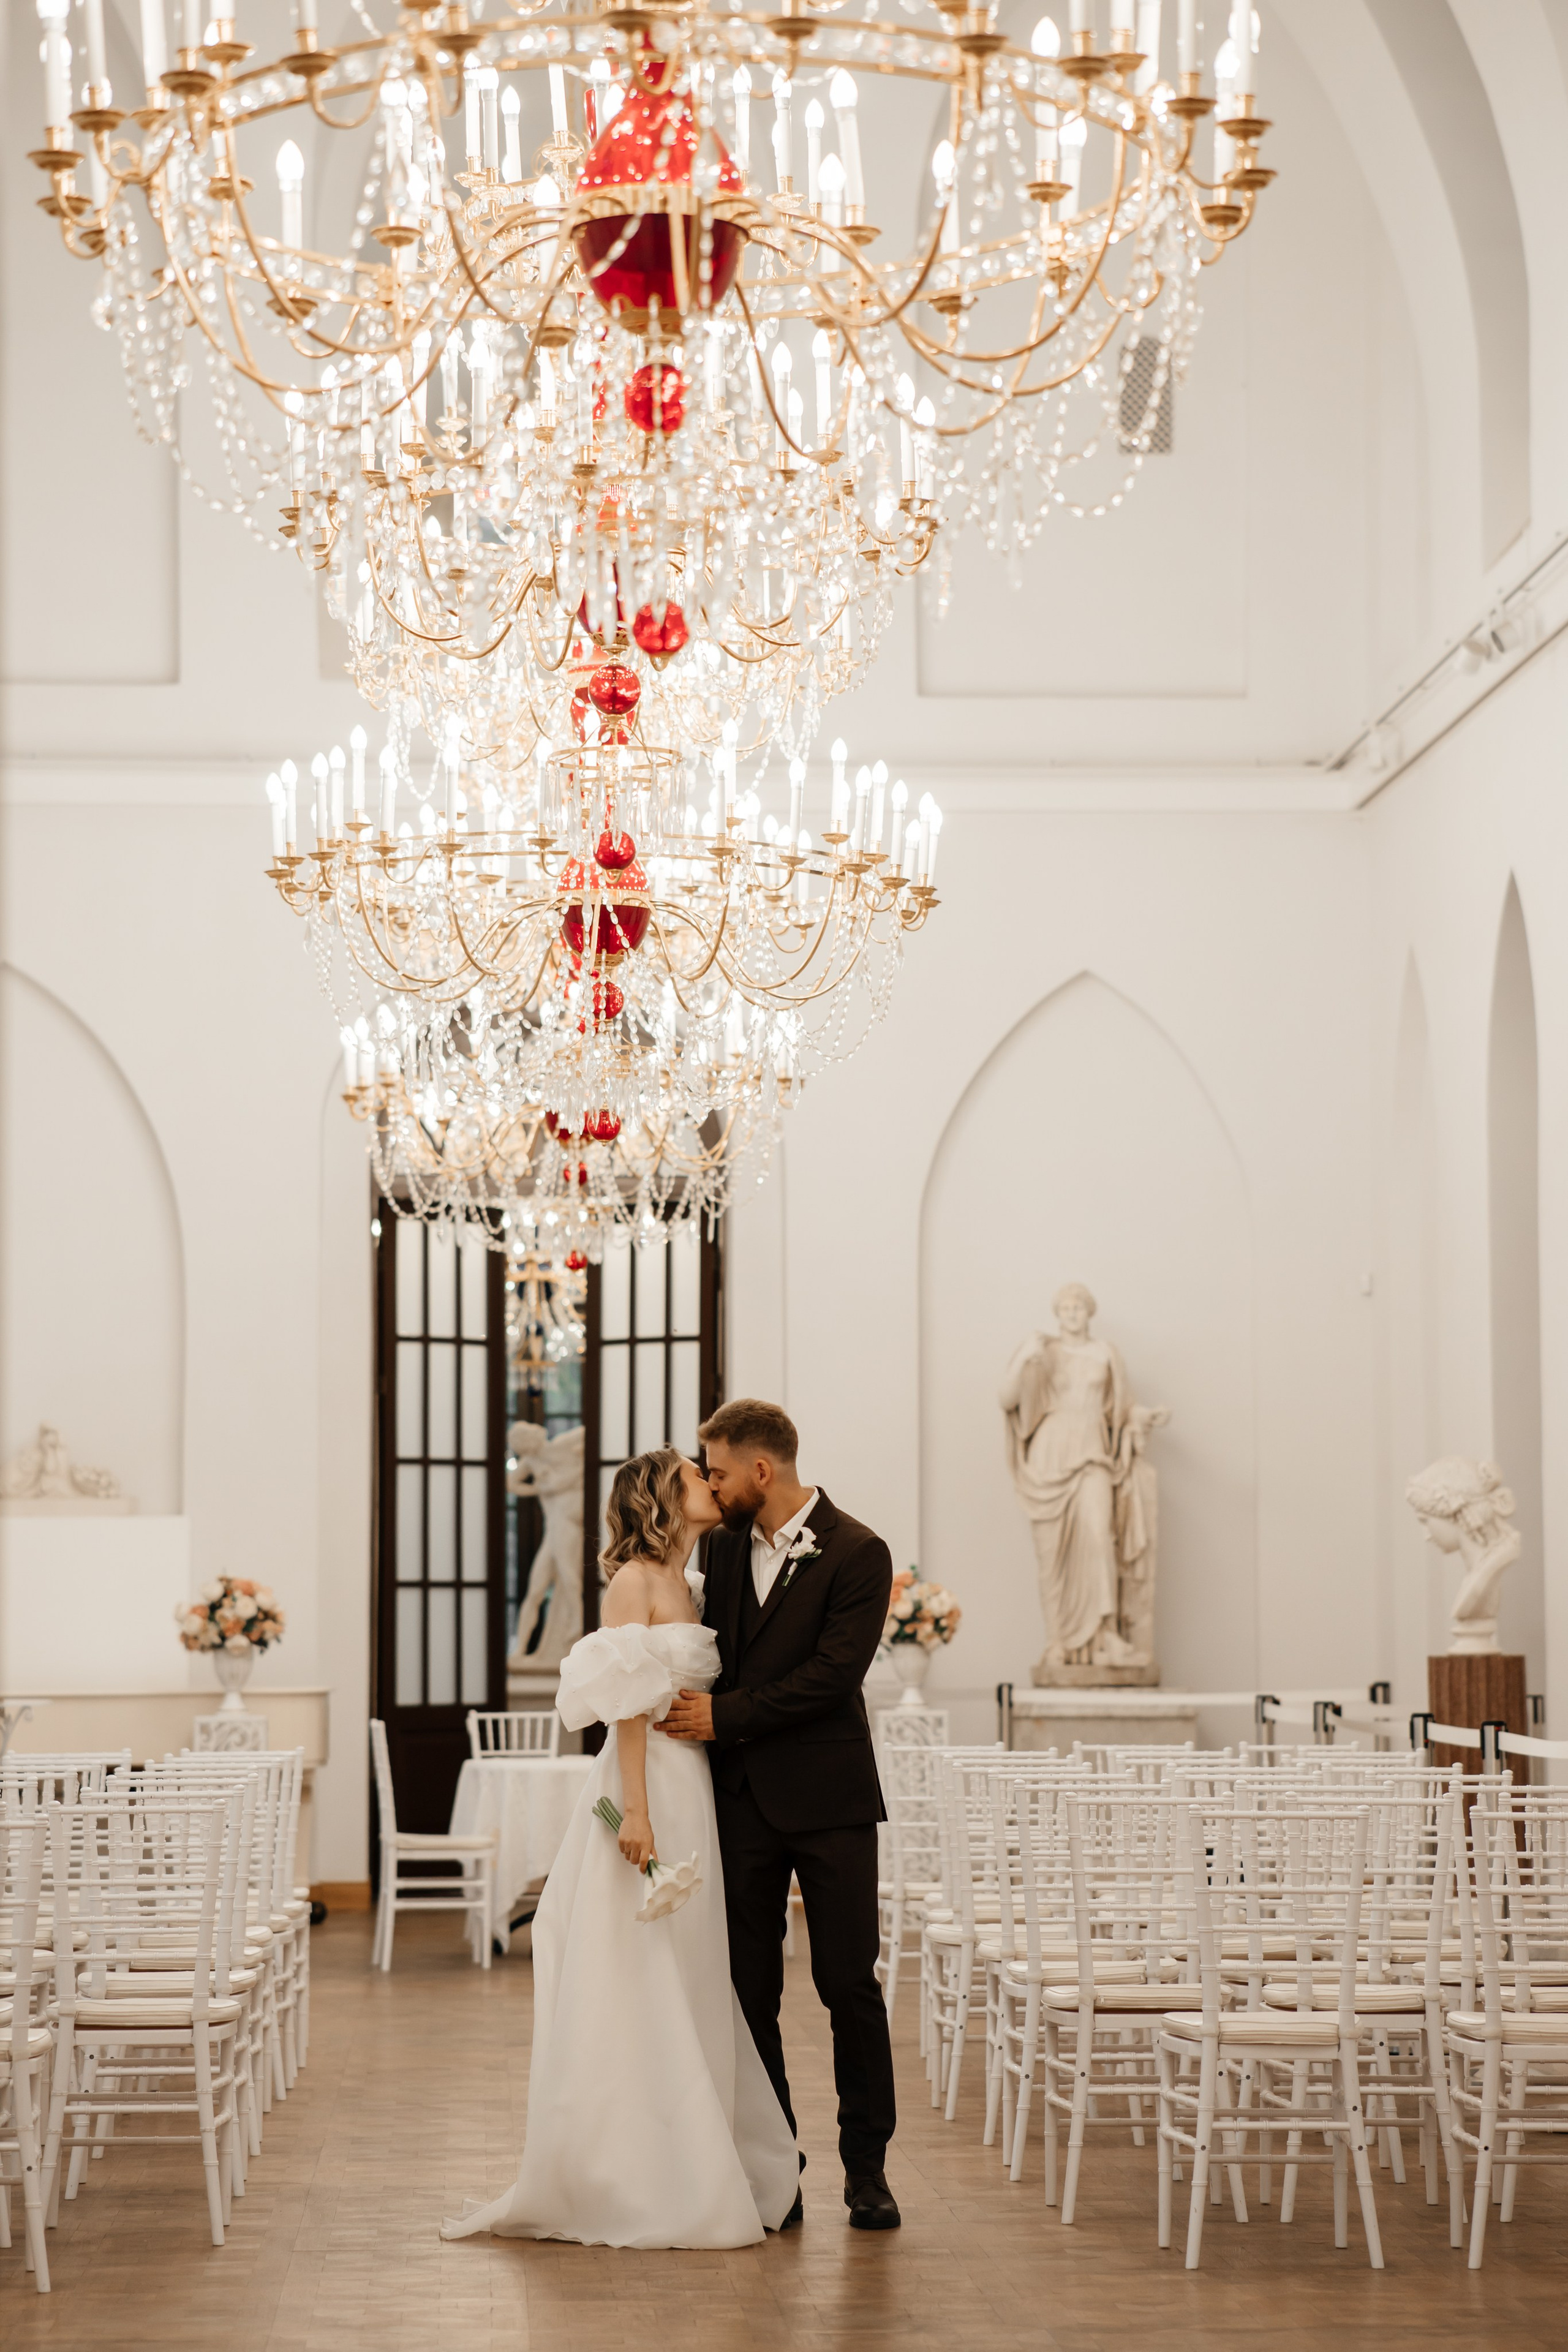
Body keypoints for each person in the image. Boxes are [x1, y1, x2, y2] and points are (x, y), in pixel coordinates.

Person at [440, 1449, 799, 2251]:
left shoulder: (695, 1582)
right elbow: (628, 1710)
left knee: (696, 1966)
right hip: (651, 1790)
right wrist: (634, 1815)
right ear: (664, 1497)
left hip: (697, 1788)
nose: (713, 1482)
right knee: (641, 1970)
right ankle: (633, 2171)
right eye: (696, 1475)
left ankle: (693, 2151)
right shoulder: (634, 1579)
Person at [661, 1397, 901, 2231]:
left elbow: (834, 1677)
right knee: (748, 1987)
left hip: (830, 1801)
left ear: (762, 1470)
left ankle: (867, 2168)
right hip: (741, 1803)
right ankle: (776, 2165)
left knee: (847, 1984)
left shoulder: (860, 1551)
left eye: (717, 1470)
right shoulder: (721, 1549)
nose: (710, 1483)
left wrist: (725, 1717)